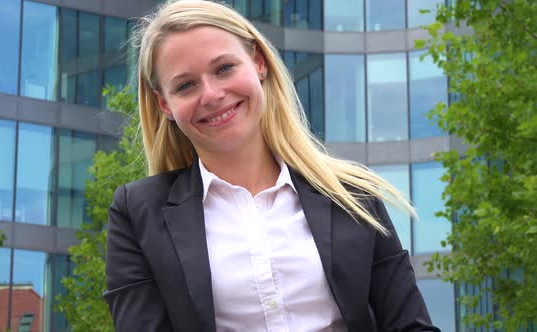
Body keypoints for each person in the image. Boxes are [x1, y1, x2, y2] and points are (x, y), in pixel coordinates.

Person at [104, 1, 441, 331]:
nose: (211, 94)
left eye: (224, 68)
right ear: (165, 104)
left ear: (259, 64)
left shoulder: (351, 193)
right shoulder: (137, 213)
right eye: (186, 85)